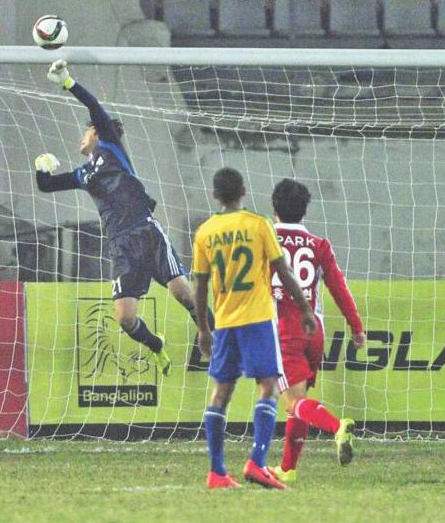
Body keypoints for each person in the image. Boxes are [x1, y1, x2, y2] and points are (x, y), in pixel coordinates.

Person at [36, 59, 205, 375]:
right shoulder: (82, 174)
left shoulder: (111, 147)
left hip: (146, 231)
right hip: (120, 244)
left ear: (97, 132)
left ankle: (213, 336)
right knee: (125, 318)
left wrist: (68, 82)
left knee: (183, 294)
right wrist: (40, 167)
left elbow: (93, 105)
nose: (81, 138)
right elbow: (46, 186)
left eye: (86, 132)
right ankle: (156, 345)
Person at [193, 168, 317, 490]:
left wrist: (204, 328)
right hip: (258, 319)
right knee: (269, 386)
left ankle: (217, 472)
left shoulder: (205, 232)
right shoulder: (259, 224)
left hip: (225, 322)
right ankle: (257, 463)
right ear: (243, 192)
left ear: (215, 195)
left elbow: (200, 285)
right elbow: (283, 271)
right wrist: (305, 308)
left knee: (221, 391)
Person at [266, 179, 366, 483]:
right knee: (297, 403)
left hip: (284, 330)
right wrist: (356, 327)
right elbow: (339, 288)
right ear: (305, 210)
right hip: (314, 330)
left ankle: (337, 426)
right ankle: (288, 469)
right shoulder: (318, 244)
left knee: (293, 402)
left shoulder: (265, 241)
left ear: (274, 207)